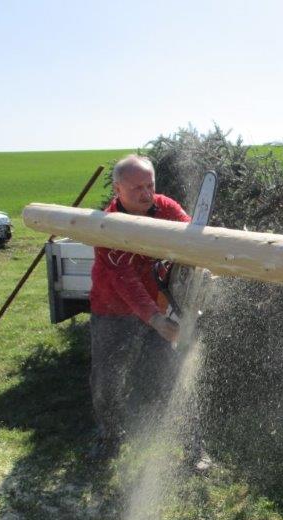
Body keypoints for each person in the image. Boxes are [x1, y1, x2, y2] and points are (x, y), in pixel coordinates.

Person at [89, 154, 189, 456]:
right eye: (137, 189)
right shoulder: (107, 227)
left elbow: (192, 237)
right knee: (107, 378)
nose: (147, 194)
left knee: (173, 375)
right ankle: (109, 438)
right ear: (118, 188)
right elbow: (126, 281)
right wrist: (156, 320)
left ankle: (193, 446)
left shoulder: (166, 208)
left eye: (150, 185)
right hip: (113, 311)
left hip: (158, 304)